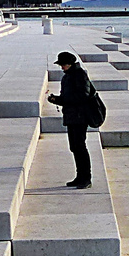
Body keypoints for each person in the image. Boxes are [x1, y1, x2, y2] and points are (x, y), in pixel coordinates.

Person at [47, 50, 95, 188]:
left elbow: (83, 96)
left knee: (80, 146)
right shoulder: (67, 76)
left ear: (69, 64)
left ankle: (86, 178)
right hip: (71, 116)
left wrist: (63, 100)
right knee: (74, 147)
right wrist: (56, 99)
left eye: (63, 65)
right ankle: (79, 176)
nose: (61, 67)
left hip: (80, 117)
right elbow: (69, 97)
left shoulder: (80, 75)